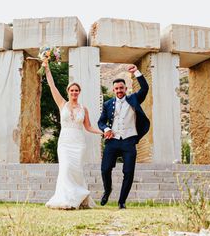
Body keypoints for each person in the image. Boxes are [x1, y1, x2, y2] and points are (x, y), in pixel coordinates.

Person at [42, 59, 103, 209]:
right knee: (66, 168)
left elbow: (88, 127)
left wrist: (102, 132)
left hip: (79, 143)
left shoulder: (84, 108)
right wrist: (47, 68)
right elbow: (52, 86)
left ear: (79, 92)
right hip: (65, 142)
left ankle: (79, 200)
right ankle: (65, 200)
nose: (74, 92)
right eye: (72, 90)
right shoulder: (62, 104)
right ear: (68, 92)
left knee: (76, 170)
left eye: (76, 90)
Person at [97, 64, 150, 209]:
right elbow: (101, 122)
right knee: (105, 169)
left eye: (121, 88)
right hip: (112, 141)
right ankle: (107, 190)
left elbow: (145, 89)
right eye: (116, 89)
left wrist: (137, 72)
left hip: (129, 140)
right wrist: (106, 128)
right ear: (113, 90)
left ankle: (122, 201)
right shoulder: (108, 104)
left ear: (125, 89)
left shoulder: (134, 99)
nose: (119, 91)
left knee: (128, 171)